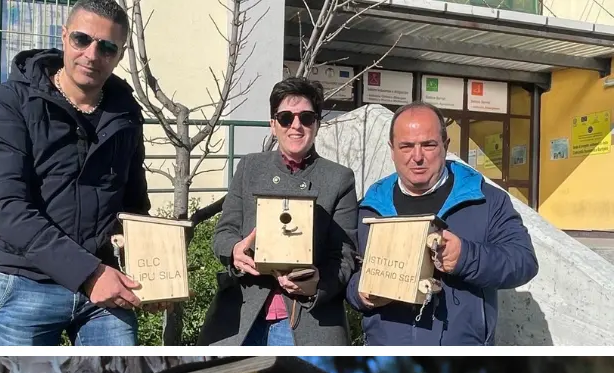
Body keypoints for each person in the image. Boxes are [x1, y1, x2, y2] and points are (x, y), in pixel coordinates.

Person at [0, 0, 152, 346]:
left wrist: (155, 271)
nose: (92, 54)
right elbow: (5, 207)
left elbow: (133, 206)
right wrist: (88, 273)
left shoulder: (126, 114)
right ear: (63, 37)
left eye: (106, 47)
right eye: (81, 39)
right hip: (28, 284)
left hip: (103, 291)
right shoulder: (11, 101)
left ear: (119, 55)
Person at [345, 102, 539, 345]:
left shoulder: (485, 200)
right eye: (406, 146)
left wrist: (466, 257)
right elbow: (346, 273)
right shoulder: (368, 208)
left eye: (428, 145)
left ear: (445, 146)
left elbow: (524, 261)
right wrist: (360, 293)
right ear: (392, 149)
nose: (417, 157)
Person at [200, 77, 360, 346]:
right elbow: (224, 232)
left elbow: (344, 254)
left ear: (317, 125)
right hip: (243, 316)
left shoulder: (339, 179)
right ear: (273, 125)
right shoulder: (250, 167)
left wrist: (317, 283)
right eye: (286, 118)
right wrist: (235, 251)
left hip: (306, 319)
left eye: (306, 118)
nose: (296, 126)